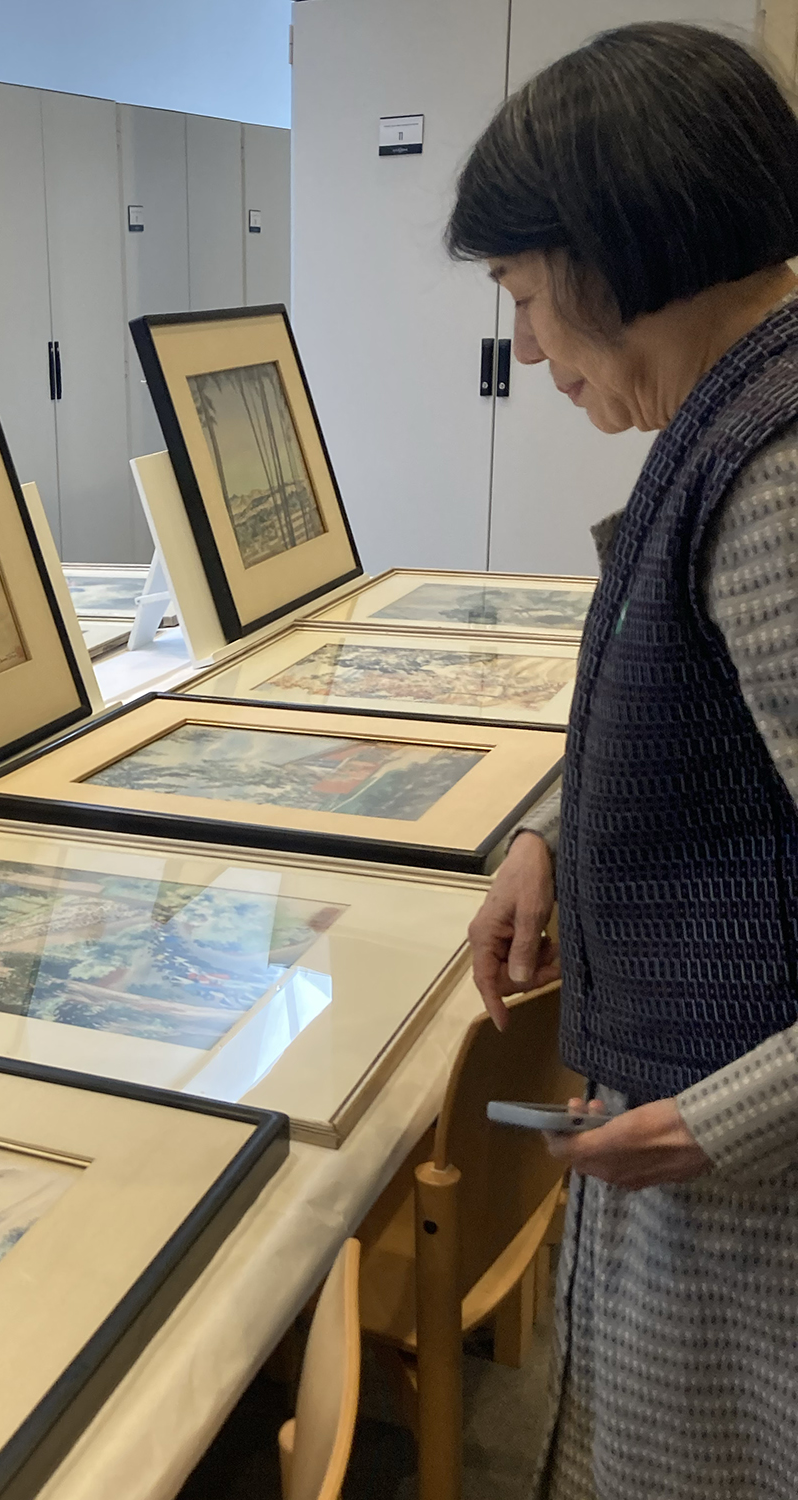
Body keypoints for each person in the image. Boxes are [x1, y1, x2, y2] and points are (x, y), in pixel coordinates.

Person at [452, 23, 798, 1500]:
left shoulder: (778, 478)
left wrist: (723, 1122)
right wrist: (550, 834)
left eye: (527, 294)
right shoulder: (742, 420)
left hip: (751, 1199)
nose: (526, 343)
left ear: (616, 249)